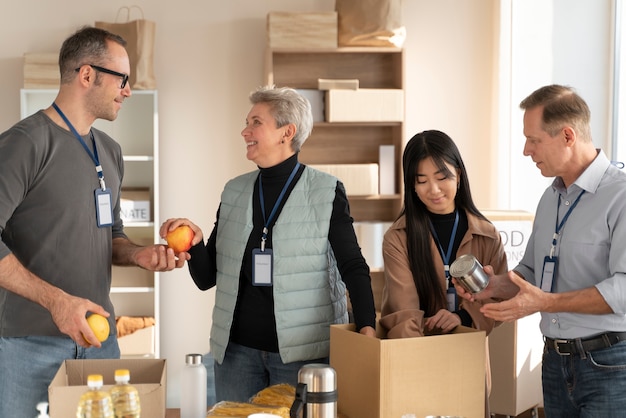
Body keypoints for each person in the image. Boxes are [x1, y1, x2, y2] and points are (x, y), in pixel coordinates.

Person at [0, 26, 184, 417]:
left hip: (100, 340)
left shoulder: (110, 151)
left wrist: (139, 254)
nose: (129, 91)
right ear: (87, 75)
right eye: (122, 79)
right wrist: (56, 302)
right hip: (29, 345)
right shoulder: (24, 144)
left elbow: (111, 235)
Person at [161, 85, 377, 402]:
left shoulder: (325, 191)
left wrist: (367, 329)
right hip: (237, 355)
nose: (244, 131)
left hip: (303, 357)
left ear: (286, 132)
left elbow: (353, 267)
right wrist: (194, 244)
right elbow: (208, 279)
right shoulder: (234, 191)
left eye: (255, 123)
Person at [457, 84, 626, 417]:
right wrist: (495, 286)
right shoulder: (551, 198)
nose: (525, 151)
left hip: (609, 364)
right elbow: (531, 274)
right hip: (555, 362)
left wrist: (546, 303)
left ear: (567, 136)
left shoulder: (619, 196)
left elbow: (623, 289)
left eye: (533, 140)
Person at [380, 130, 508, 417]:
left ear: (459, 176)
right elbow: (403, 309)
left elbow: (498, 300)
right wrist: (420, 368)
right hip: (415, 359)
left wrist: (462, 317)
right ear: (411, 185)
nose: (434, 189)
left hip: (468, 360)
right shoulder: (398, 237)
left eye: (442, 177)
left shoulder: (487, 235)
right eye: (421, 180)